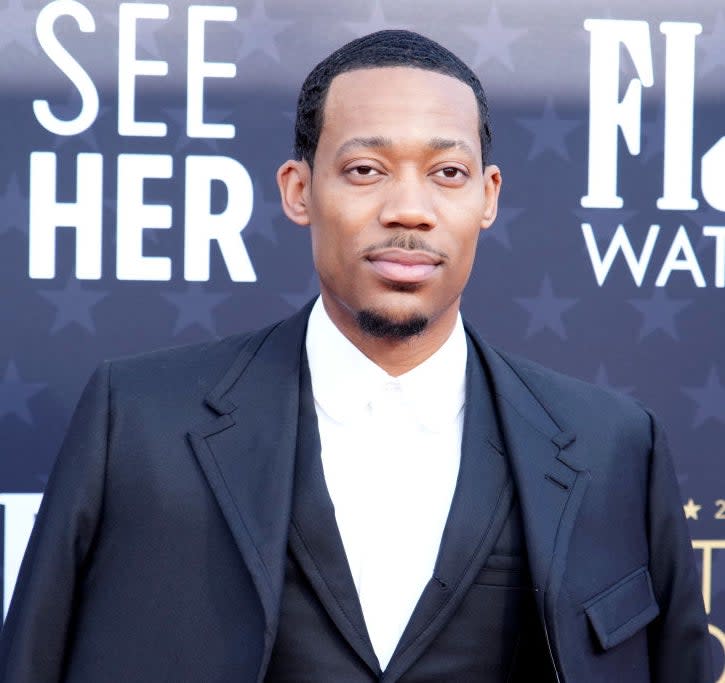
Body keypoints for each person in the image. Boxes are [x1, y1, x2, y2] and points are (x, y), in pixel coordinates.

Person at [0, 29, 712, 683]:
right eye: (367, 169)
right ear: (299, 189)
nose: (409, 208)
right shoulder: (136, 423)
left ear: (488, 198)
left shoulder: (614, 445)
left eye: (448, 173)